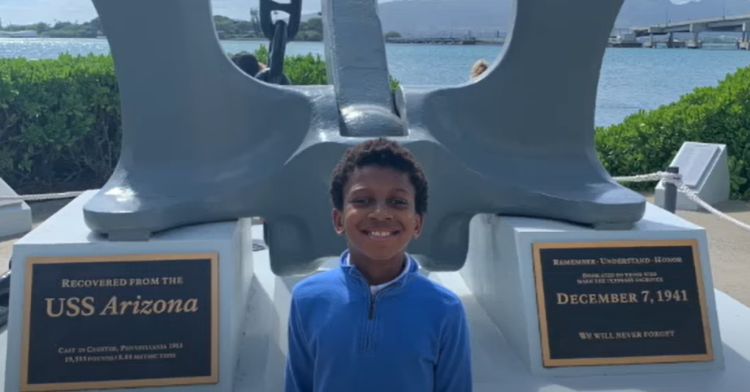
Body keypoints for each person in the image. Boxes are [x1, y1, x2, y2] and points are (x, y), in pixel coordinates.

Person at [285, 138, 472, 392]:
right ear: (338, 219)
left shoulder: (445, 309)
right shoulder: (307, 299)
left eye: (398, 202)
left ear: (417, 224)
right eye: (362, 200)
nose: (380, 213)